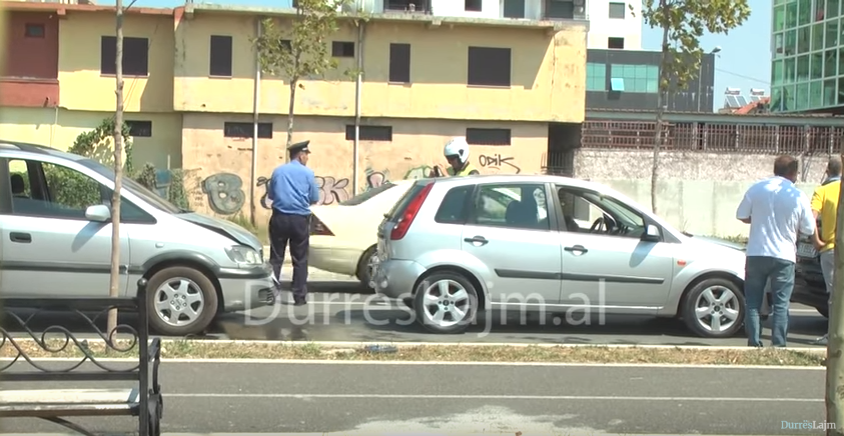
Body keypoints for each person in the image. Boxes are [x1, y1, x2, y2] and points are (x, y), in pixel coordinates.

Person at [736, 155, 815, 347]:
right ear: (793, 172)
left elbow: (742, 215)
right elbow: (809, 229)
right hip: (784, 255)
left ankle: (754, 343)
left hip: (757, 252)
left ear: (775, 169)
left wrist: (759, 220)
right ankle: (779, 345)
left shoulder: (757, 189)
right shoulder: (797, 195)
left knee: (753, 301)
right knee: (781, 304)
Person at [266, 140, 320, 306]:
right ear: (301, 155)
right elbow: (314, 198)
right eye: (306, 155)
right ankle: (299, 296)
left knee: (276, 258)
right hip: (299, 220)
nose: (307, 159)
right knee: (300, 259)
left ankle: (271, 294)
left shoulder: (278, 171)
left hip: (279, 218)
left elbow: (272, 195)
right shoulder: (308, 173)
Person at [811, 157, 841, 345]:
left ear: (827, 170)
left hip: (830, 249)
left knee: (834, 295)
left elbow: (810, 217)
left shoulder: (822, 190)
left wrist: (816, 240)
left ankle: (834, 335)